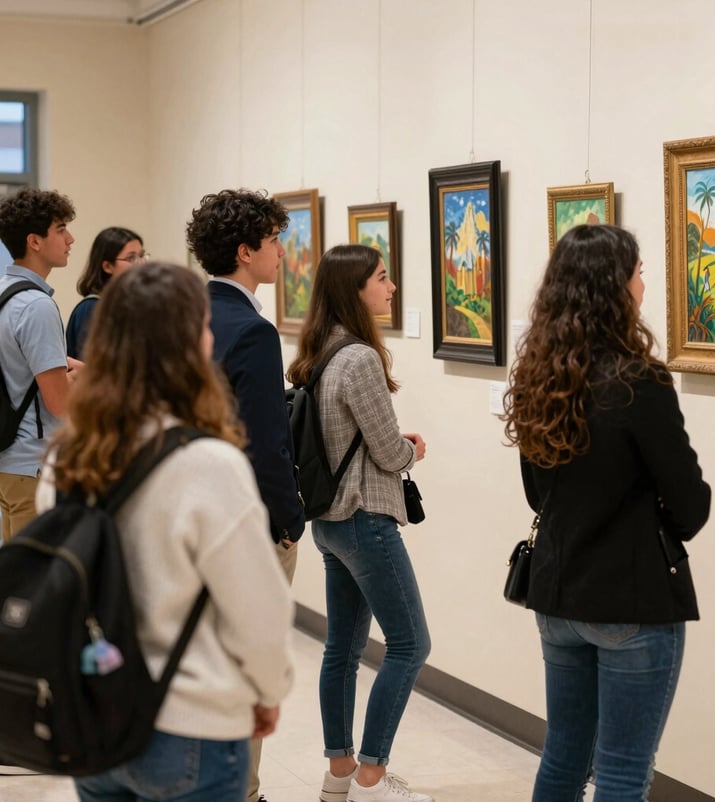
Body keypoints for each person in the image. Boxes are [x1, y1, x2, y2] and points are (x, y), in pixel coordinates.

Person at [36, 262, 295, 802]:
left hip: (96, 715)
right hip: (190, 723)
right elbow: (258, 608)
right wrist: (269, 690)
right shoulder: (209, 464)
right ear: (187, 346)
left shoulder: (66, 459)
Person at [502, 224, 711, 802]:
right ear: (614, 287)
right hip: (630, 602)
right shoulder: (639, 380)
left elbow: (537, 494)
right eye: (639, 273)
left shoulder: (538, 378)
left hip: (558, 597)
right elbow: (691, 505)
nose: (644, 284)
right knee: (622, 772)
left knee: (563, 759)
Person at [286, 244, 432, 802]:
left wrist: (393, 446)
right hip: (364, 518)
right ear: (356, 288)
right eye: (383, 278)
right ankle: (371, 776)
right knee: (410, 644)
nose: (391, 288)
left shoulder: (320, 350)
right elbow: (389, 452)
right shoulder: (360, 359)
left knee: (342, 651)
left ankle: (339, 771)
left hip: (329, 521)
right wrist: (413, 449)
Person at [186, 188, 305, 802]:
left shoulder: (187, 316)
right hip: (244, 525)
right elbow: (265, 442)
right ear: (244, 251)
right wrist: (290, 521)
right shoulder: (253, 331)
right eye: (275, 240)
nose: (282, 252)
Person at [0, 187, 81, 543]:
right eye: (61, 229)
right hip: (32, 466)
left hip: (8, 463)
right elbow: (59, 403)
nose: (70, 239)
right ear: (34, 241)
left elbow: (17, 365)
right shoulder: (36, 306)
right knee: (35, 575)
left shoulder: (4, 293)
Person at [66, 226, 146, 359]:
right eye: (131, 258)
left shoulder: (132, 308)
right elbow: (91, 365)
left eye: (142, 256)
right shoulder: (91, 308)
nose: (141, 263)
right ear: (107, 266)